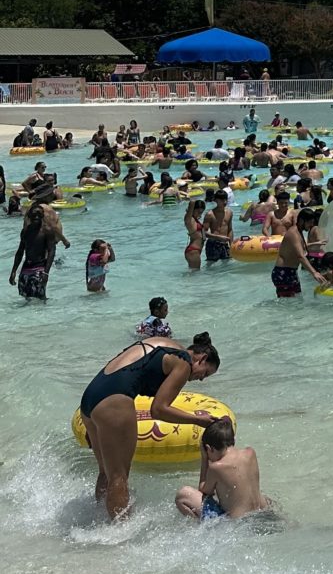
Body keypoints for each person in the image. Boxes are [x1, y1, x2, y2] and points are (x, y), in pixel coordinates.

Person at [78, 333, 221, 520]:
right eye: (206, 373)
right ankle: (118, 534)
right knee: (119, 477)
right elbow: (159, 410)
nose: (201, 379)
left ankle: (99, 518)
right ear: (201, 359)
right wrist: (197, 420)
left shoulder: (162, 343)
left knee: (106, 472)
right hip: (113, 401)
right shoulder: (184, 362)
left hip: (90, 399)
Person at [175, 417, 276, 523]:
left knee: (183, 495)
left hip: (236, 524)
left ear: (209, 449)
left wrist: (204, 459)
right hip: (259, 513)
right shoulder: (250, 453)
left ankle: (204, 527)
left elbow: (204, 491)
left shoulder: (217, 467)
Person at [9, 199, 67, 300]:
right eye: (34, 214)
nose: (36, 217)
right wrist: (13, 271)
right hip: (26, 267)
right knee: (25, 297)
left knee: (40, 297)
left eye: (39, 214)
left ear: (42, 216)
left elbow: (51, 252)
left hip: (40, 267)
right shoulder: (26, 231)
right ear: (29, 216)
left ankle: (45, 314)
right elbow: (20, 251)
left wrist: (46, 272)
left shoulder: (47, 231)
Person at [271, 206, 328, 298]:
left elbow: (300, 248)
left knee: (297, 300)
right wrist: (314, 273)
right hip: (283, 272)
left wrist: (316, 243)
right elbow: (300, 256)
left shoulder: (299, 232)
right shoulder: (294, 233)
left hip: (291, 272)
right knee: (287, 304)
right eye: (309, 223)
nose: (310, 226)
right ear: (301, 220)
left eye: (312, 223)